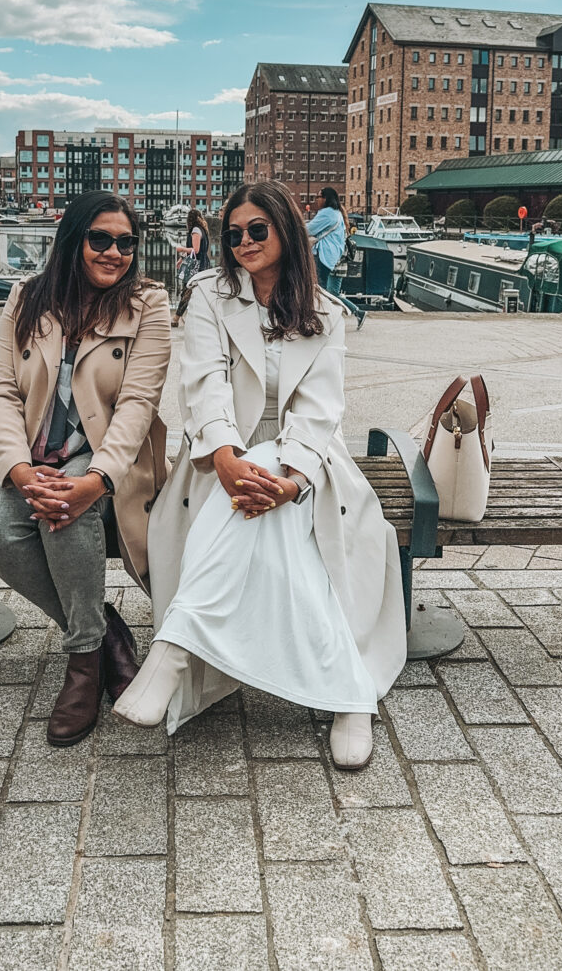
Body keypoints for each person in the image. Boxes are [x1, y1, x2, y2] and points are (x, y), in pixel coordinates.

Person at [114, 181, 406, 771]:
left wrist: (292, 478)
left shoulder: (324, 314)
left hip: (308, 460)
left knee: (273, 486)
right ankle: (350, 694)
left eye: (256, 230)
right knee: (269, 516)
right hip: (223, 456)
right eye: (233, 234)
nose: (243, 242)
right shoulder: (209, 296)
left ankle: (175, 647)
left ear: (285, 232)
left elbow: (320, 410)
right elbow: (204, 385)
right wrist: (225, 458)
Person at [0, 192, 172, 747]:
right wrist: (19, 470)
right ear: (73, 242)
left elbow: (138, 406)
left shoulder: (149, 302)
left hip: (102, 453)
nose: (114, 253)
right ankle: (103, 634)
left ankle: (81, 668)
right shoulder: (28, 298)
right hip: (26, 452)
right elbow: (0, 392)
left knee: (68, 517)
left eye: (126, 242)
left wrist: (94, 482)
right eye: (100, 239)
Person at [306, 187, 366, 329]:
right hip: (335, 259)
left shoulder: (328, 213)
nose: (316, 200)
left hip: (327, 257)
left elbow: (310, 229)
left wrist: (291, 227)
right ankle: (356, 313)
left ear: (325, 198)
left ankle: (323, 321)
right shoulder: (337, 214)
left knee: (322, 291)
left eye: (318, 197)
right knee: (328, 292)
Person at [172, 209, 210, 326]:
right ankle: (182, 317)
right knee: (195, 292)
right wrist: (182, 258)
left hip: (196, 266)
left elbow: (196, 250)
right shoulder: (202, 229)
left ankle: (176, 318)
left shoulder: (195, 230)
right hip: (202, 264)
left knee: (187, 291)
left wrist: (181, 249)